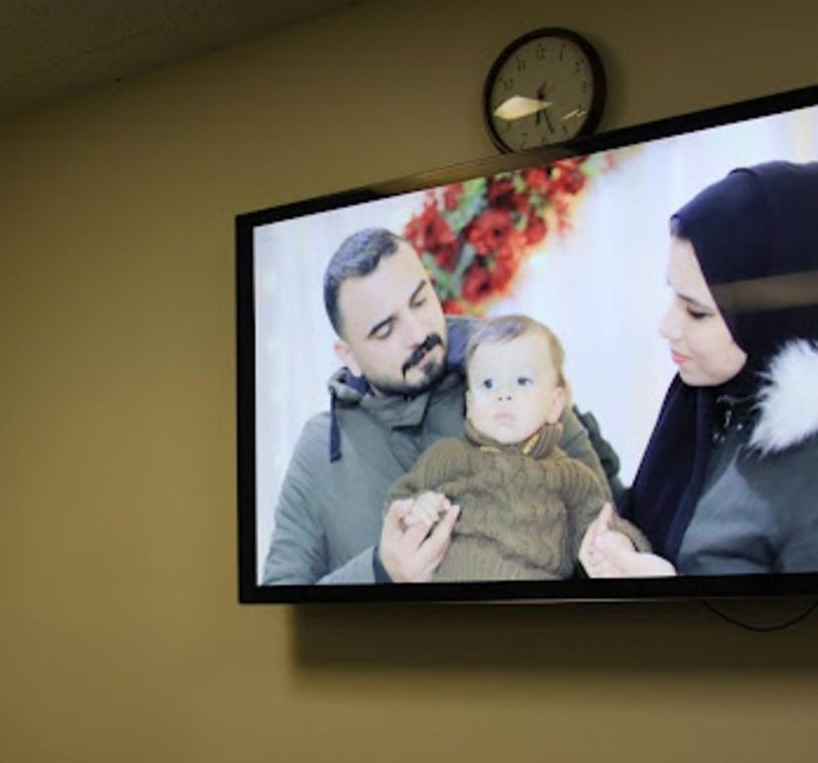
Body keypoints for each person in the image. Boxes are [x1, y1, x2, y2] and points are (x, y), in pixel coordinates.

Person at [261, 228, 613, 585]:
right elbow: (280, 600)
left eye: (420, 301)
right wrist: (381, 571)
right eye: (385, 330)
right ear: (348, 355)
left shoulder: (511, 374)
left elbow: (605, 536)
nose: (417, 334)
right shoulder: (319, 451)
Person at [581, 161, 818, 578]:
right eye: (675, 296)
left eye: (697, 312)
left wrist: (672, 602)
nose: (667, 327)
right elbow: (667, 523)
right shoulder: (709, 396)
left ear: (778, 313)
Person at [388, 315, 647, 581]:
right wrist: (418, 508)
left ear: (556, 404)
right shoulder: (445, 457)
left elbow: (606, 525)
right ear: (470, 404)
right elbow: (398, 504)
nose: (503, 395)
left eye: (523, 381)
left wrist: (619, 544)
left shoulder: (572, 477)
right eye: (488, 384)